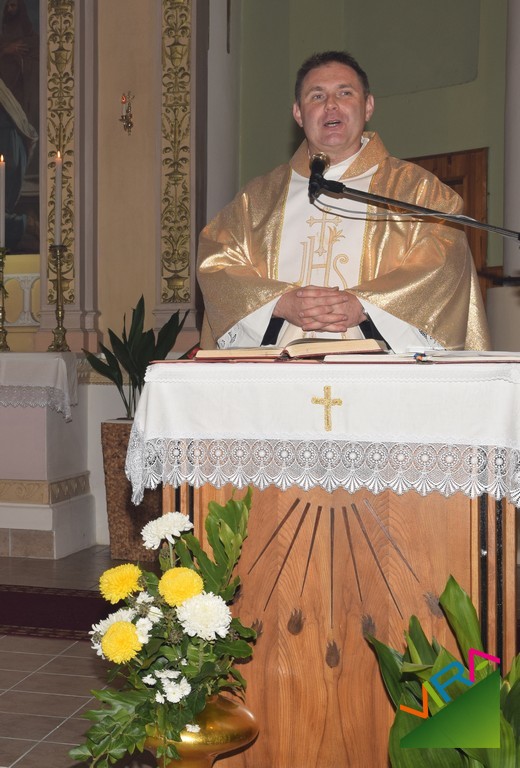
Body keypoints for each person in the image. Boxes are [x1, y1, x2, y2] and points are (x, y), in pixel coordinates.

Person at [197, 51, 490, 352]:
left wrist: (365, 306)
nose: (331, 105)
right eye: (317, 96)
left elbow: (442, 265)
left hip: (378, 373)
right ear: (298, 113)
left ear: (368, 106)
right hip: (279, 371)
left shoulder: (419, 192)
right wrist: (279, 303)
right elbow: (218, 264)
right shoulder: (257, 200)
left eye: (345, 93)